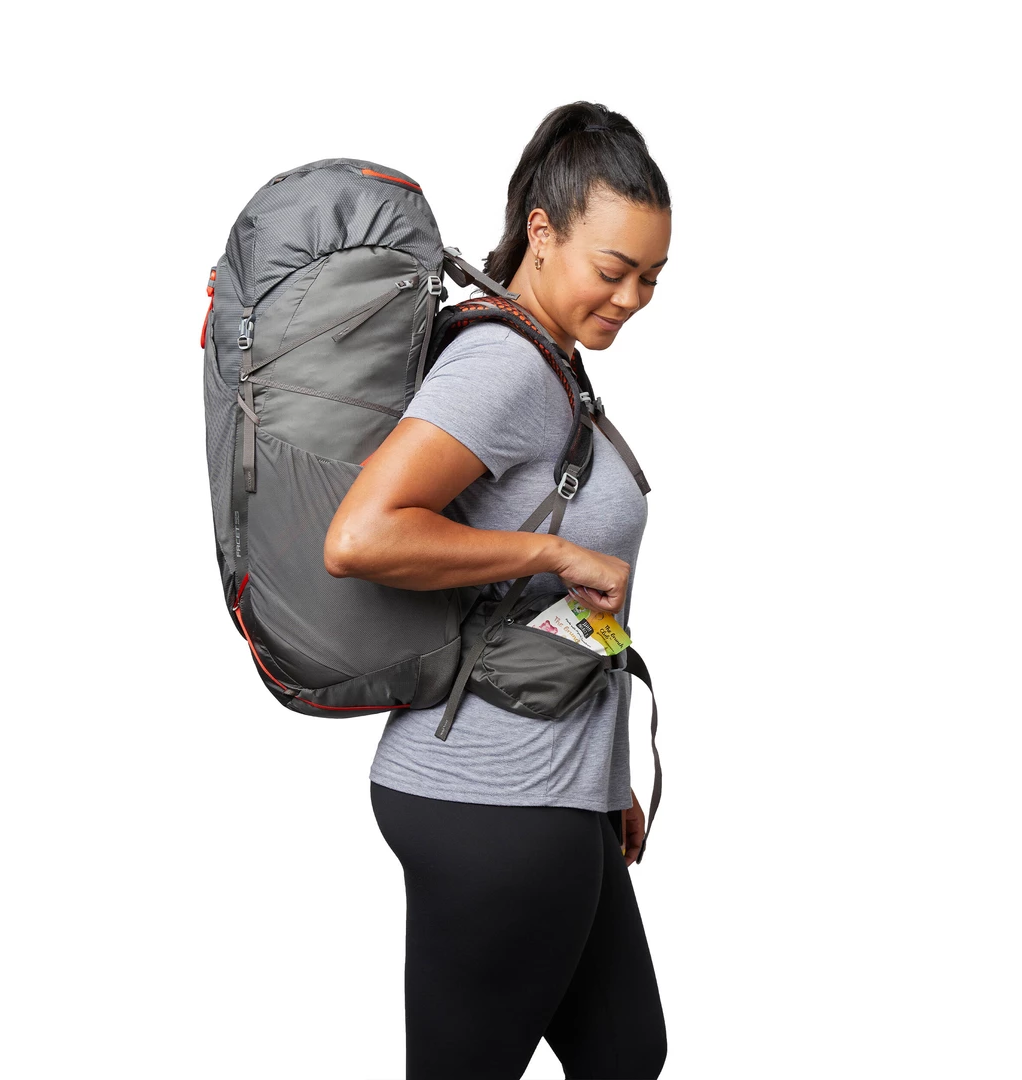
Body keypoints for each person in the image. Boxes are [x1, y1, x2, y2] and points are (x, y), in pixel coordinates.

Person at [325, 100, 672, 1080]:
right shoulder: (503, 365)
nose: (633, 297)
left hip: (553, 790)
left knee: (624, 1055)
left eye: (652, 276)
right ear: (542, 232)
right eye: (615, 269)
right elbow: (362, 535)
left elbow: (558, 611)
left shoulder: (554, 367)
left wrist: (606, 779)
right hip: (493, 797)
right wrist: (554, 551)